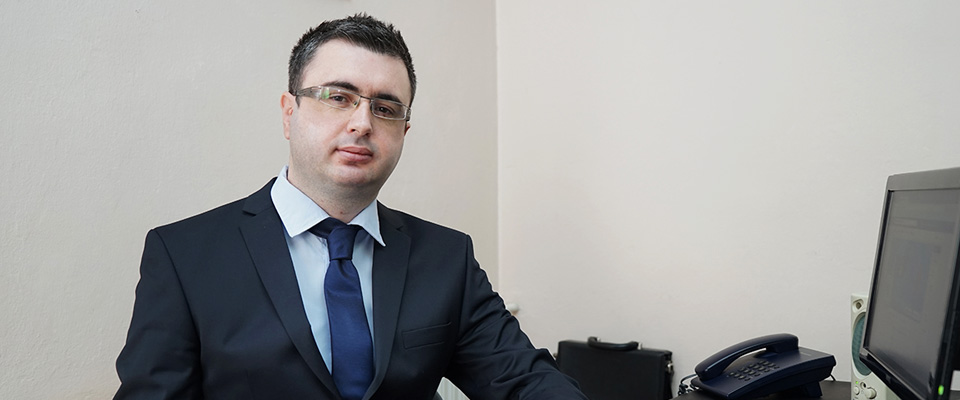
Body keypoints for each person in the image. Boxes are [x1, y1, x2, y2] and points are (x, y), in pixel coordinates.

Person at [114, 13, 586, 400]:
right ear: (289, 113)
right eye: (338, 97)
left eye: (385, 108)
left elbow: (524, 380)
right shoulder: (184, 255)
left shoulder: (446, 258)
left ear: (404, 131)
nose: (362, 123)